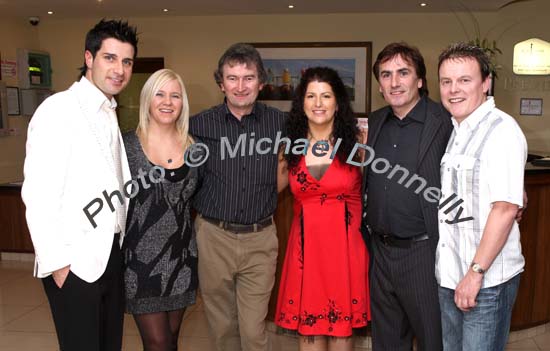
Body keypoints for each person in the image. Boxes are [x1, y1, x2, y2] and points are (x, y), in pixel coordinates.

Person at [21, 19, 138, 351]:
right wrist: (58, 266)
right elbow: (39, 195)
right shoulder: (58, 110)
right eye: (110, 58)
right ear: (89, 58)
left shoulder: (108, 111)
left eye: (126, 61)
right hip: (73, 264)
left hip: (110, 257)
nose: (119, 69)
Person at [189, 43, 286, 351]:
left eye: (248, 78)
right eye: (232, 78)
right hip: (213, 237)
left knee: (254, 329)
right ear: (221, 83)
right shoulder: (198, 125)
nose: (240, 86)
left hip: (261, 239)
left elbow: (290, 170)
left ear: (261, 82)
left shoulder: (280, 124)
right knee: (222, 329)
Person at [436, 42, 526, 351]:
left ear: (485, 83)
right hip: (450, 276)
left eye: (464, 80)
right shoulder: (455, 131)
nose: (453, 89)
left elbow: (504, 209)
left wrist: (475, 275)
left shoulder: (502, 130)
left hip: (485, 282)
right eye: (446, 81)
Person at [362, 42, 452, 351]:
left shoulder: (447, 122)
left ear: (420, 80)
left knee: (432, 339)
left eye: (403, 72)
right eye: (386, 75)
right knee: (386, 341)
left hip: (423, 253)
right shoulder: (373, 124)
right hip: (380, 252)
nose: (394, 82)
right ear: (380, 85)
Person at [275, 67, 370, 351]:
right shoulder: (289, 147)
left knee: (341, 334)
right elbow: (266, 190)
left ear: (337, 102)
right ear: (301, 103)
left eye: (326, 96)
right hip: (306, 252)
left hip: (346, 250)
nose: (318, 103)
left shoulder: (359, 144)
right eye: (311, 96)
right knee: (310, 333)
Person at [122, 69, 198, 351]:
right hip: (141, 264)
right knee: (158, 343)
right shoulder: (126, 146)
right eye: (160, 94)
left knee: (172, 340)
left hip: (182, 261)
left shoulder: (195, 148)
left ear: (182, 102)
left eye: (175, 95)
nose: (168, 102)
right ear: (147, 99)